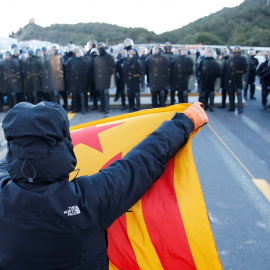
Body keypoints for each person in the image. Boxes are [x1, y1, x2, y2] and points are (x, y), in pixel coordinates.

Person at [0, 101, 208, 269]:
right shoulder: (92, 197)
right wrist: (185, 121)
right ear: (64, 144)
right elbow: (144, 160)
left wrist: (19, 154)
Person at [94, 42, 115, 115]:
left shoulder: (109, 56)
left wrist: (109, 72)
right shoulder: (97, 57)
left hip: (106, 77)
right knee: (101, 93)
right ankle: (102, 107)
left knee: (105, 93)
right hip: (99, 78)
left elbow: (113, 66)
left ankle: (107, 108)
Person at [67, 48, 89, 114]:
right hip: (74, 80)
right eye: (76, 53)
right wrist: (69, 80)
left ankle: (84, 108)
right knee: (74, 95)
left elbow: (87, 70)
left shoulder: (84, 60)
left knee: (82, 95)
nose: (78, 54)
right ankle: (75, 108)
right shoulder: (71, 61)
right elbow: (68, 71)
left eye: (79, 53)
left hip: (82, 80)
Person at [227, 45, 248, 113]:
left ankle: (240, 108)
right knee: (231, 93)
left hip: (239, 78)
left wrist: (236, 71)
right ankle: (231, 107)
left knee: (239, 93)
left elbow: (245, 70)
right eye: (235, 52)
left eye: (238, 53)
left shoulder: (243, 59)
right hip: (231, 79)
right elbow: (228, 69)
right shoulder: (230, 59)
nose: (237, 54)